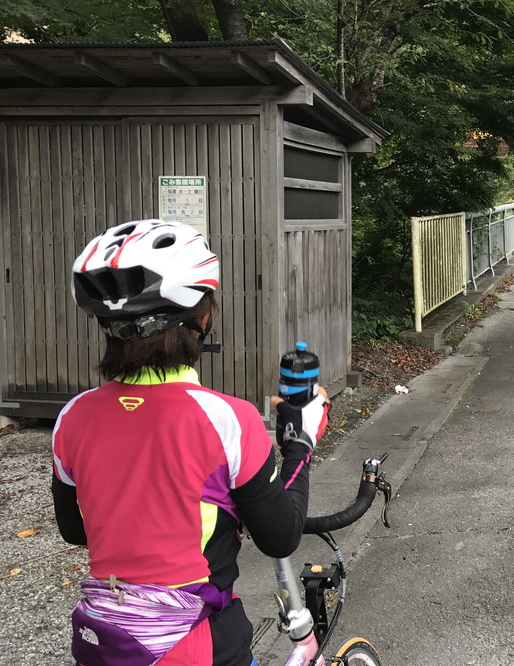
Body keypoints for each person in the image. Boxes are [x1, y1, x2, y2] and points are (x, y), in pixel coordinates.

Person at [51, 219, 328, 666]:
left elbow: (75, 530)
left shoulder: (71, 418)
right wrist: (301, 441)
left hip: (103, 639)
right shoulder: (226, 420)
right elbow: (281, 537)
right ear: (200, 318)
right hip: (195, 642)